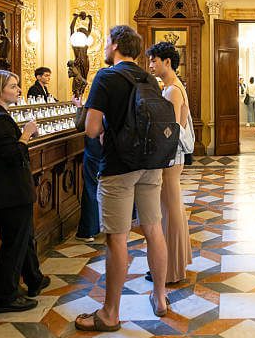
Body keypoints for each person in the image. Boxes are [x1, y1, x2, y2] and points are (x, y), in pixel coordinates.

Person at [74, 26, 169, 332]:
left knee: (117, 237)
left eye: (105, 43)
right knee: (154, 229)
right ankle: (160, 297)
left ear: (115, 45)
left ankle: (110, 313)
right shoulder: (148, 78)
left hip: (118, 166)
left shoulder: (106, 76)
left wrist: (100, 128)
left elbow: (90, 128)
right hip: (151, 163)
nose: (104, 48)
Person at [0, 70, 50, 313]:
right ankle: (6, 296)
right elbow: (13, 155)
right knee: (14, 244)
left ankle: (34, 279)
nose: (18, 90)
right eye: (13, 86)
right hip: (11, 192)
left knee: (24, 239)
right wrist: (27, 134)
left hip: (11, 191)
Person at [146, 41, 192, 284]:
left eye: (154, 60)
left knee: (170, 208)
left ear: (167, 62)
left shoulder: (173, 89)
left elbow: (171, 128)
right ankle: (171, 263)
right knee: (169, 208)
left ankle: (171, 268)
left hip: (170, 156)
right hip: (171, 156)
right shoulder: (171, 87)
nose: (151, 65)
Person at [72, 96, 103, 243]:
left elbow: (80, 125)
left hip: (95, 148)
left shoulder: (96, 101)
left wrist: (79, 108)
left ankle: (88, 230)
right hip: (111, 149)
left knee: (92, 187)